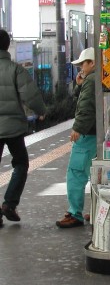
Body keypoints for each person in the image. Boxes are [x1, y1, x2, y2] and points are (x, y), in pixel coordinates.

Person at [0, 29, 47, 227]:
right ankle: (9, 204)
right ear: (7, 45)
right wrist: (41, 110)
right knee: (21, 164)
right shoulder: (15, 69)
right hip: (13, 128)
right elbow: (30, 94)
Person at [56, 47, 97, 228]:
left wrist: (78, 128)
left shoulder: (91, 80)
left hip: (87, 135)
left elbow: (86, 106)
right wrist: (79, 84)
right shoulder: (96, 79)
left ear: (92, 63)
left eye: (83, 63)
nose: (81, 67)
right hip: (98, 134)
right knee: (96, 173)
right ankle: (97, 209)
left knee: (76, 172)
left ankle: (74, 213)